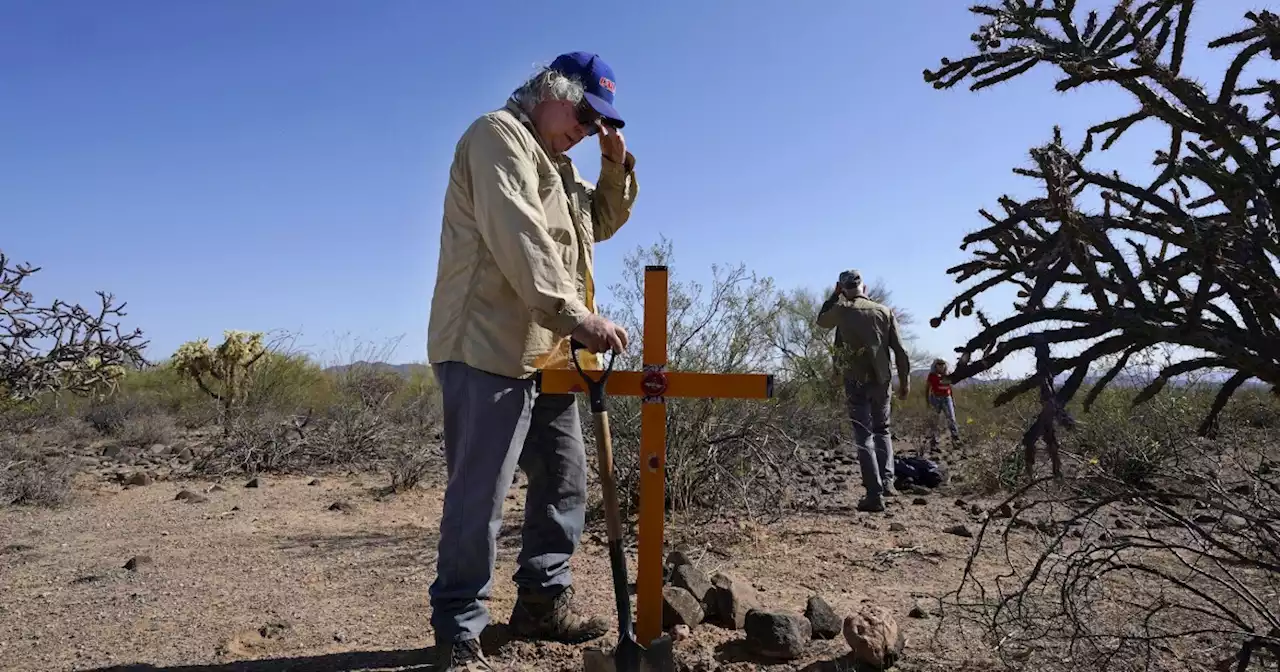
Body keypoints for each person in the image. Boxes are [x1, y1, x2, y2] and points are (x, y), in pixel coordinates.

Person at [426, 51, 638, 671]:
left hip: (544, 353)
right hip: (487, 346)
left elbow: (598, 223)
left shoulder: (562, 166)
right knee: (481, 493)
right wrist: (578, 318)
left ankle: (542, 604)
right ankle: (459, 631)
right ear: (549, 92)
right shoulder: (498, 137)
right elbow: (521, 237)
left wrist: (613, 163)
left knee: (564, 478)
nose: (587, 125)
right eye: (582, 112)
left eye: (598, 119)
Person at [816, 270, 911, 513]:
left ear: (842, 288)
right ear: (864, 288)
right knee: (883, 430)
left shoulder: (842, 311)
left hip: (855, 381)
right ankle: (887, 484)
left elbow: (822, 322)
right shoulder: (884, 311)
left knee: (864, 435)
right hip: (882, 381)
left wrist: (833, 297)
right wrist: (905, 381)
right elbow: (900, 350)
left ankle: (874, 493)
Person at [925, 358, 961, 452]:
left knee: (952, 419)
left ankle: (956, 440)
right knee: (935, 421)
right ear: (935, 365)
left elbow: (950, 388)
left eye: (943, 364)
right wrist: (927, 401)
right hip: (935, 398)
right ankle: (934, 444)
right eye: (939, 364)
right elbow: (927, 388)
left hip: (946, 398)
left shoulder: (947, 375)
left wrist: (953, 400)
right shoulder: (932, 376)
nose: (941, 366)